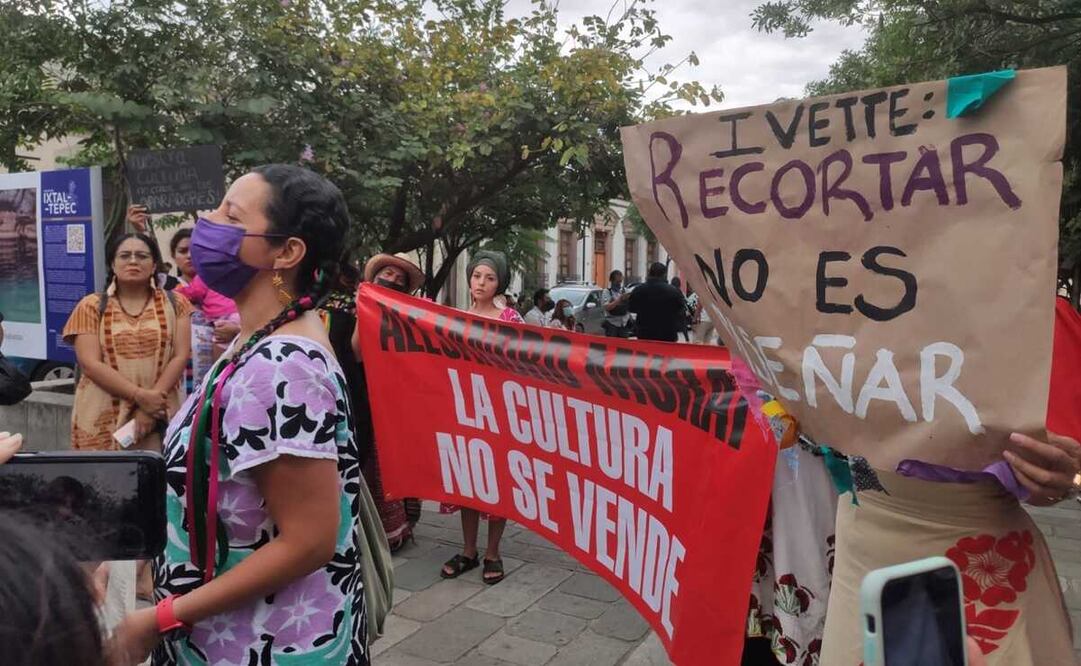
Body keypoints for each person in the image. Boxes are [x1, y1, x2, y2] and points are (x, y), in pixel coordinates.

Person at [110, 165, 370, 665]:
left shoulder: (282, 366)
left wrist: (157, 620)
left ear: (287, 252)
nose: (208, 221)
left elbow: (309, 541)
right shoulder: (260, 341)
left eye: (231, 214)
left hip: (264, 644)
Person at [819, 296, 1081, 665]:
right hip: (863, 551)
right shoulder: (825, 296)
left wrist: (1057, 478)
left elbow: (1058, 463)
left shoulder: (1028, 308)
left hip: (981, 568)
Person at [63, 232, 192, 452]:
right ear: (113, 264)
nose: (133, 261)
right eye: (125, 256)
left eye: (142, 256)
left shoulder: (176, 302)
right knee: (103, 482)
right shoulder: (91, 306)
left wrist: (150, 408)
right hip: (100, 414)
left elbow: (180, 356)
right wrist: (140, 396)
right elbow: (90, 364)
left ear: (153, 266)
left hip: (159, 413)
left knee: (154, 479)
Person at [440, 250, 522, 585]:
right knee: (469, 483)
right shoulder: (457, 319)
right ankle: (469, 550)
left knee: (497, 484)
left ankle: (493, 553)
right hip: (465, 412)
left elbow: (523, 363)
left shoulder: (511, 320)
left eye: (489, 278)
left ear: (499, 282)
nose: (481, 283)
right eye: (477, 276)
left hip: (499, 414)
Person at [360, 252, 428, 531]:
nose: (392, 280)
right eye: (388, 274)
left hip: (396, 399)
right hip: (361, 394)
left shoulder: (409, 318)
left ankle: (397, 527)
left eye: (399, 278)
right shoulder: (354, 308)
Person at [628, 262, 686, 342]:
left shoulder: (639, 289)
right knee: (665, 354)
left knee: (645, 354)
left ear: (650, 273)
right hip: (667, 332)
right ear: (664, 274)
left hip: (645, 332)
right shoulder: (673, 291)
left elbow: (631, 308)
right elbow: (681, 310)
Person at [600, 269, 632, 337]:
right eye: (617, 282)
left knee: (623, 346)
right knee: (611, 346)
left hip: (624, 324)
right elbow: (607, 307)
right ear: (611, 281)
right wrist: (619, 299)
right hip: (612, 324)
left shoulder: (625, 291)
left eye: (620, 281)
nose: (619, 284)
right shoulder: (607, 292)